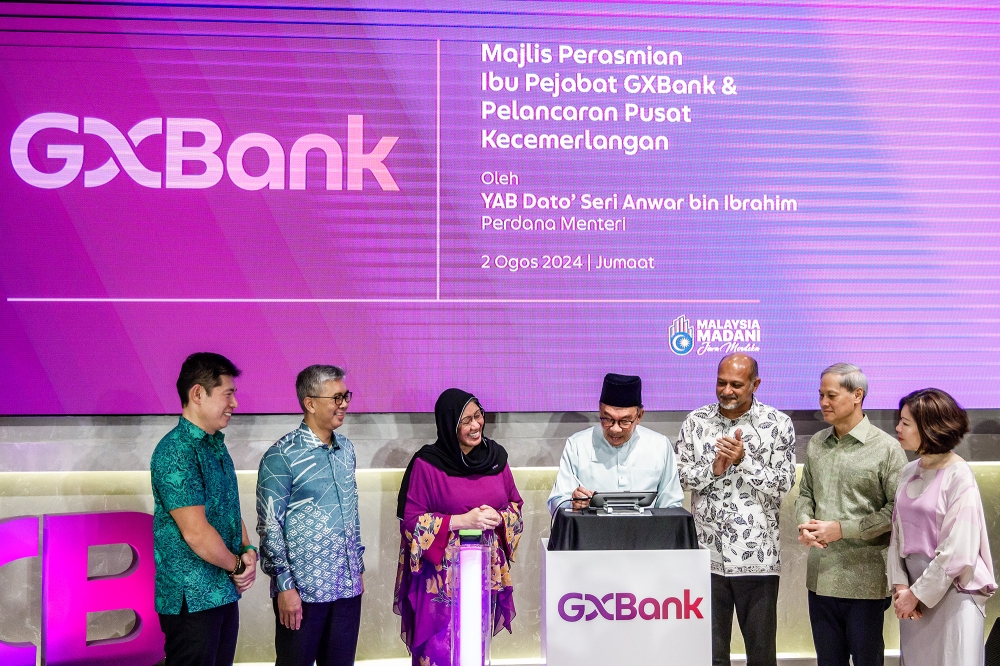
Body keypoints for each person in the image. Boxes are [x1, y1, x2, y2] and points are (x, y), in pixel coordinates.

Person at [676, 353, 796, 666]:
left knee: (760, 655)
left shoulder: (778, 424)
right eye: (721, 382)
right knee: (711, 654)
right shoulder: (696, 422)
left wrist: (745, 461)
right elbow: (681, 477)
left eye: (736, 384)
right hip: (706, 555)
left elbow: (783, 483)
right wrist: (713, 468)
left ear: (756, 384)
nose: (726, 390)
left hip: (758, 557)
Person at [393, 388, 524, 666]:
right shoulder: (427, 464)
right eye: (466, 420)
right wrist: (461, 521)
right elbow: (412, 522)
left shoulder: (497, 458)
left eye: (478, 416)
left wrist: (499, 518)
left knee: (474, 648)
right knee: (441, 650)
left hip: (483, 573)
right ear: (448, 424)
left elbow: (515, 506)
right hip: (441, 581)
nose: (476, 425)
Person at [794, 363, 907, 666]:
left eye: (831, 395)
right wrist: (805, 522)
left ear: (857, 395)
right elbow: (806, 493)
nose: (823, 403)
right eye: (820, 395)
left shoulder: (886, 449)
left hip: (864, 579)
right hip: (819, 577)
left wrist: (843, 529)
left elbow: (897, 510)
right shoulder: (817, 443)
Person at [151, 352, 257, 666]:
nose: (234, 403)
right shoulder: (175, 451)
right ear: (198, 393)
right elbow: (196, 532)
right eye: (228, 394)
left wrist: (247, 548)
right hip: (191, 601)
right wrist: (237, 566)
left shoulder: (215, 445)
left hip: (222, 592)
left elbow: (227, 509)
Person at [256, 365, 365, 666]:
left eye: (346, 396)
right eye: (336, 397)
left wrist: (357, 569)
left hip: (346, 588)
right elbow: (269, 526)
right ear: (310, 402)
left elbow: (351, 515)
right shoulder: (282, 456)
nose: (344, 404)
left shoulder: (347, 450)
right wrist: (284, 586)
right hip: (303, 592)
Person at [888, 388, 996, 665]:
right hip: (913, 593)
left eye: (906, 423)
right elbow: (897, 536)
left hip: (951, 593)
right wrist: (901, 587)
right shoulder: (907, 471)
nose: (898, 428)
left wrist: (917, 593)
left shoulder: (959, 475)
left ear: (930, 428)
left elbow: (958, 550)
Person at [547, 373, 683, 514]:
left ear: (639, 416)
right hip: (590, 533)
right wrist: (572, 503)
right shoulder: (577, 445)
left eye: (625, 421)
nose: (615, 429)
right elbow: (557, 502)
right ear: (600, 410)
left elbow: (671, 504)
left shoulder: (659, 446)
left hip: (646, 533)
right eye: (607, 419)